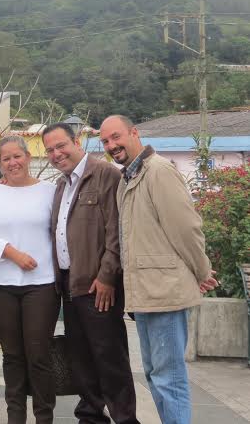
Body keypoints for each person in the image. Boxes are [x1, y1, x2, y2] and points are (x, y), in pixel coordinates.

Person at [99, 115, 217, 424]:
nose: (112, 146)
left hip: (165, 291)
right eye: (105, 142)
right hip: (146, 293)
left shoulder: (159, 171)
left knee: (169, 378)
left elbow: (187, 229)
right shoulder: (129, 177)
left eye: (116, 137)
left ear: (134, 133)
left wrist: (201, 271)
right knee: (155, 375)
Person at [43, 122, 140, 424]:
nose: (56, 153)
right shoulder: (61, 184)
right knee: (80, 357)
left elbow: (116, 232)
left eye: (61, 146)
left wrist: (108, 276)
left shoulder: (105, 175)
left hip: (98, 285)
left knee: (109, 358)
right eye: (49, 150)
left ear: (77, 142)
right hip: (71, 285)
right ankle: (90, 415)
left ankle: (125, 418)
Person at [0, 135, 59, 424]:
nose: (12, 163)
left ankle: (44, 416)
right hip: (1, 283)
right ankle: (15, 417)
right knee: (11, 355)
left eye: (17, 156)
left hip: (43, 282)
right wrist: (12, 254)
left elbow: (61, 232)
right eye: (5, 159)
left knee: (38, 354)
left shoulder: (50, 190)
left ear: (28, 157)